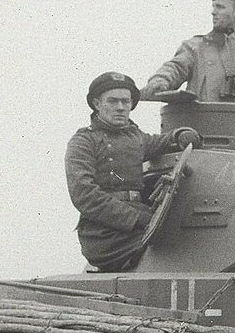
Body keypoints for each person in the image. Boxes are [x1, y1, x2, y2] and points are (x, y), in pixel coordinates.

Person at [65, 72, 199, 272]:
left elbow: (160, 141)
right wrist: (136, 218)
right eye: (113, 101)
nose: (120, 107)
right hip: (105, 234)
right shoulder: (84, 141)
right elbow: (84, 195)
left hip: (139, 224)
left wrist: (180, 134)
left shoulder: (134, 137)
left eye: (125, 102)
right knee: (174, 252)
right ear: (96, 103)